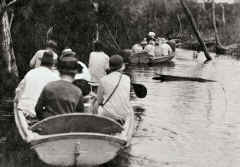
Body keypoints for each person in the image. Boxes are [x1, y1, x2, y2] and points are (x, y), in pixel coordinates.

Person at [35, 56, 84, 120]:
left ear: (59, 71)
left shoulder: (49, 87)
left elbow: (38, 109)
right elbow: (80, 116)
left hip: (49, 126)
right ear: (75, 73)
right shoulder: (78, 92)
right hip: (68, 127)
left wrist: (44, 120)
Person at [15, 51, 60, 118]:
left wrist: (17, 101)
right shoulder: (55, 77)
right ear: (52, 64)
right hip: (42, 113)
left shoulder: (30, 73)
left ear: (41, 62)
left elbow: (18, 92)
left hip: (25, 110)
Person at [94, 55, 133, 124]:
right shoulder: (127, 78)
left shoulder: (103, 80)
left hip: (108, 116)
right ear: (122, 66)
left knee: (95, 102)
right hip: (123, 116)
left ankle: (94, 121)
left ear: (109, 66)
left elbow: (99, 101)